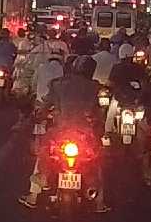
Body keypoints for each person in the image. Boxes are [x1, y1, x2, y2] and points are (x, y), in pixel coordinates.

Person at [19, 55, 110, 213]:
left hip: (60, 132)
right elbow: (99, 113)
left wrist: (39, 116)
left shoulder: (58, 84)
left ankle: (34, 194)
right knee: (96, 160)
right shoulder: (95, 87)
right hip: (85, 134)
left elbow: (45, 105)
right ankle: (99, 202)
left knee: (43, 152)